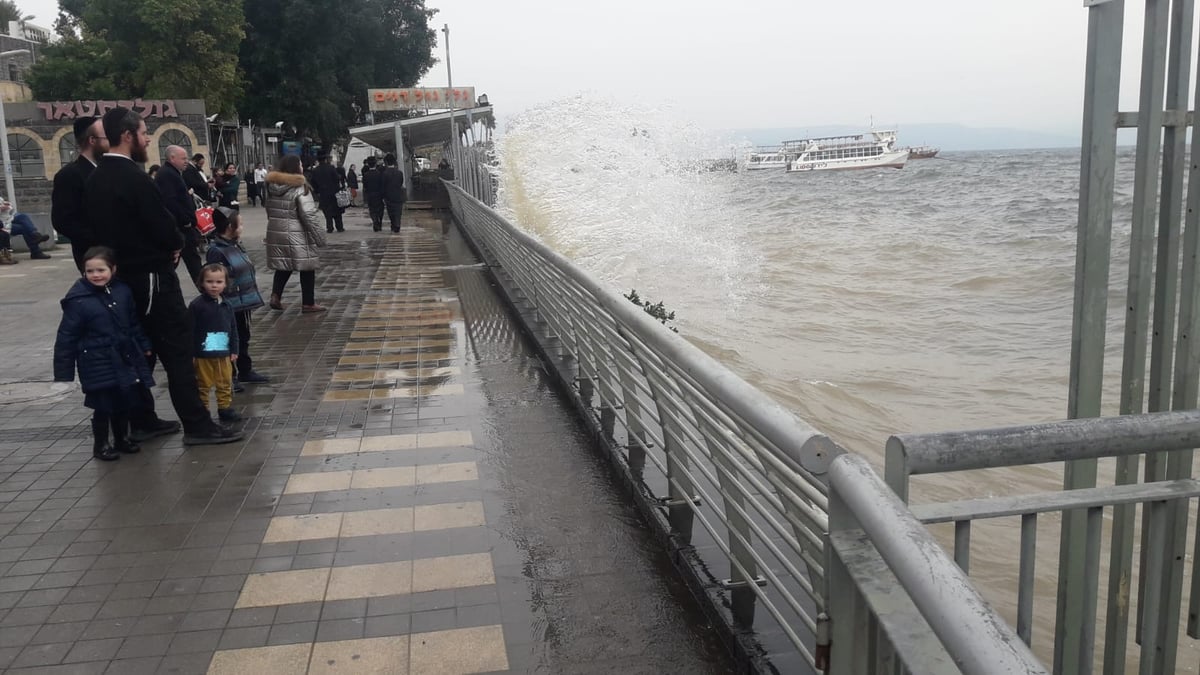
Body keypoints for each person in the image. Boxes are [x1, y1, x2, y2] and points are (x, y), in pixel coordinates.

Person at [86, 106, 241, 445]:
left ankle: (141, 418)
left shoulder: (96, 177)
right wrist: (174, 243)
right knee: (177, 351)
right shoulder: (134, 177)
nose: (146, 140)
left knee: (139, 348)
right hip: (152, 276)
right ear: (127, 136)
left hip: (122, 278)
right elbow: (161, 224)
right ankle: (198, 425)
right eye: (143, 133)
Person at [53, 246, 155, 461]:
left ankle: (121, 438)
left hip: (123, 356)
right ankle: (101, 444)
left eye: (101, 270)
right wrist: (63, 372)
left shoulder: (122, 291)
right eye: (90, 271)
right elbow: (66, 336)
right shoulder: (78, 300)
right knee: (102, 404)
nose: (96, 275)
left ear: (113, 269)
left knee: (124, 399)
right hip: (96, 360)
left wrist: (143, 344)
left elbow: (133, 323)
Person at [205, 207, 269, 389]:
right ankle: (227, 377)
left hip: (241, 303)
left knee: (242, 337)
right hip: (226, 305)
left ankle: (245, 370)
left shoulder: (235, 245)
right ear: (229, 227)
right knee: (225, 341)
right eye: (239, 224)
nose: (242, 227)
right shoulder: (217, 251)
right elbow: (215, 280)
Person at [265, 154, 326, 313]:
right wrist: (319, 237)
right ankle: (308, 303)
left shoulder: (271, 187)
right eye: (300, 164)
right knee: (307, 266)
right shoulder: (300, 187)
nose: (302, 167)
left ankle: (275, 296)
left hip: (276, 230)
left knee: (284, 265)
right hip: (297, 232)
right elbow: (309, 215)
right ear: (294, 167)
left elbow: (268, 209)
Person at [52, 117, 109, 269]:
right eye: (107, 137)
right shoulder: (70, 175)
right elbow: (63, 221)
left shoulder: (107, 169)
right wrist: (100, 240)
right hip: (95, 256)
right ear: (92, 140)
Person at [189, 263, 241, 422]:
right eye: (209, 282)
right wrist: (191, 352)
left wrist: (234, 349)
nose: (214, 286)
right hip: (203, 354)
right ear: (202, 283)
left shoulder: (227, 305)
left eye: (219, 282)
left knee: (225, 382)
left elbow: (233, 328)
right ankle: (203, 411)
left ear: (225, 284)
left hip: (224, 353)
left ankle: (224, 408)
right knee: (203, 384)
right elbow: (190, 330)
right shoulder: (197, 305)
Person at [155, 144, 203, 285]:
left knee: (190, 261)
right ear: (172, 158)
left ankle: (205, 288)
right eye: (183, 158)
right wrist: (185, 220)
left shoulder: (173, 173)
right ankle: (206, 289)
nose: (186, 161)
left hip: (182, 228)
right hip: (180, 228)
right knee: (188, 261)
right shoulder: (167, 174)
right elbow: (170, 201)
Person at [310, 155, 344, 233]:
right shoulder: (331, 168)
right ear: (325, 159)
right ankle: (339, 227)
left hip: (323, 193)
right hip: (334, 192)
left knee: (327, 211)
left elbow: (313, 182)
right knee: (337, 211)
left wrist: (317, 191)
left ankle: (329, 227)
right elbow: (337, 178)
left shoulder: (315, 170)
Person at [382, 153, 406, 232]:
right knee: (398, 211)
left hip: (388, 196)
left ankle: (393, 224)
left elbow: (383, 185)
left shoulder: (384, 174)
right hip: (398, 195)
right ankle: (397, 224)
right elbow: (401, 183)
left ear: (386, 162)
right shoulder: (399, 173)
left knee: (391, 211)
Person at [362, 156, 385, 232]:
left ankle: (375, 220)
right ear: (375, 164)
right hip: (379, 195)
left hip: (370, 195)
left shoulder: (365, 175)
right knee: (380, 209)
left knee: (372, 210)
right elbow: (382, 185)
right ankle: (379, 222)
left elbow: (365, 186)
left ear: (368, 164)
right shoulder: (379, 174)